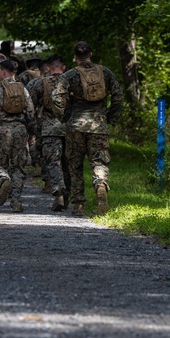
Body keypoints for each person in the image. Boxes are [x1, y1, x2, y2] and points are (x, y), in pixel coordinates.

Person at [51, 41, 124, 216]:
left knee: (75, 165)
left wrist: (64, 117)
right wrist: (110, 117)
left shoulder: (69, 75)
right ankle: (100, 185)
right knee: (99, 161)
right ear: (90, 54)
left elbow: (56, 98)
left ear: (75, 57)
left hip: (76, 126)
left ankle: (79, 205)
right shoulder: (105, 72)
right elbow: (118, 96)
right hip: (99, 125)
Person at [0, 59, 34, 212]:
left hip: (1, 131)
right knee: (18, 167)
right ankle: (16, 201)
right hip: (20, 130)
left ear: (4, 71)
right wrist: (30, 132)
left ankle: (3, 180)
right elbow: (31, 112)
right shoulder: (23, 90)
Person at [27, 54, 69, 212]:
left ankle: (58, 191)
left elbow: (30, 108)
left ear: (48, 69)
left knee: (53, 162)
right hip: (71, 129)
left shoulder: (39, 83)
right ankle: (73, 199)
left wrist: (32, 129)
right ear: (63, 67)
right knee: (70, 164)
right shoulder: (71, 80)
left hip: (49, 129)